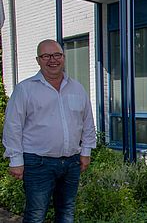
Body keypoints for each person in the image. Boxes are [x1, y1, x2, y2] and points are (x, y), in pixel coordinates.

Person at [2, 39, 96, 223]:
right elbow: (13, 126)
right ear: (38, 60)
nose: (52, 60)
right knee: (36, 214)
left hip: (71, 163)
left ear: (63, 57)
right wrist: (16, 160)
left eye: (57, 55)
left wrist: (86, 152)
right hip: (37, 163)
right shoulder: (25, 89)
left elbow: (87, 123)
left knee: (67, 213)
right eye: (46, 56)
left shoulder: (77, 88)